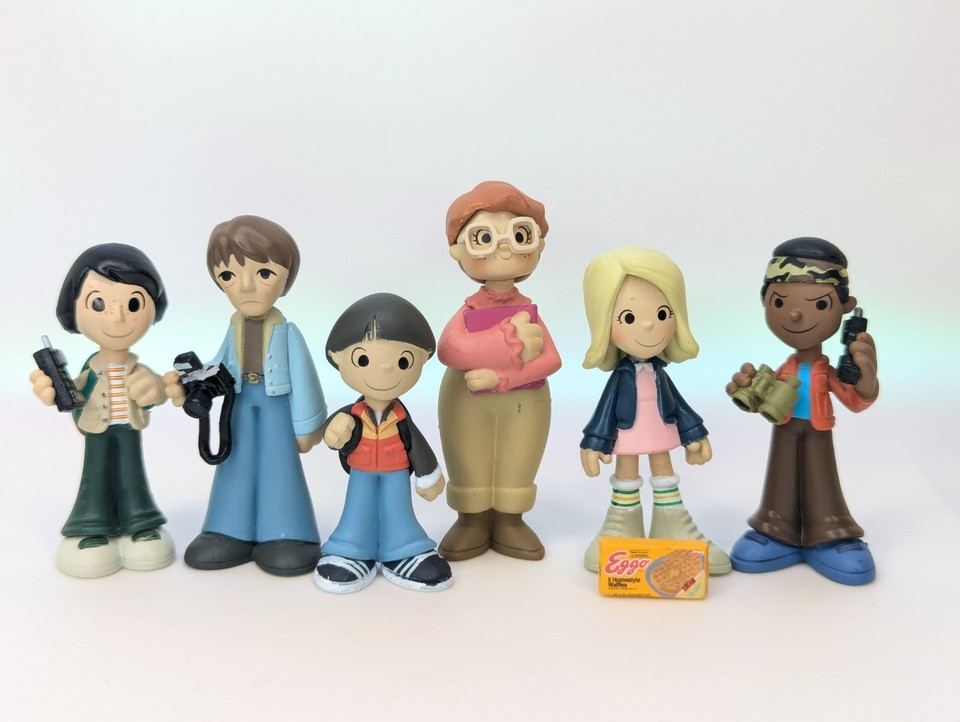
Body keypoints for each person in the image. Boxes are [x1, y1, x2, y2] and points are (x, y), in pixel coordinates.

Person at [165, 215, 326, 576]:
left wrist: (306, 425)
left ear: (286, 277)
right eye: (229, 276)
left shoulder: (287, 331)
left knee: (279, 465)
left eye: (264, 273)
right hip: (238, 403)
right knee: (234, 462)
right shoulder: (234, 326)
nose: (246, 287)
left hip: (276, 406)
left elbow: (304, 378)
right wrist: (187, 381)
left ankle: (287, 532)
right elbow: (221, 362)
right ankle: (228, 529)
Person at [726, 237, 879, 585]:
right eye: (780, 302)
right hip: (783, 427)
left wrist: (866, 377)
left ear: (845, 308)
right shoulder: (785, 369)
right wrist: (748, 392)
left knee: (821, 478)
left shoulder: (827, 371)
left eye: (819, 304)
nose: (794, 314)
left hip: (817, 431)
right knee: (779, 477)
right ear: (765, 301)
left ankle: (830, 534)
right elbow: (764, 400)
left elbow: (856, 400)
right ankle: (774, 529)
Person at [580, 247, 730, 575]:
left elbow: (679, 405)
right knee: (627, 469)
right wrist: (595, 441)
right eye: (629, 318)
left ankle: (672, 521)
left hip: (660, 428)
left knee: (663, 467)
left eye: (663, 314)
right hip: (627, 433)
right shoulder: (621, 377)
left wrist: (694, 435)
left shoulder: (659, 374)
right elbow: (605, 410)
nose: (649, 325)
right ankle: (622, 522)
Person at [437, 181, 561, 561]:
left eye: (520, 235)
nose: (505, 247)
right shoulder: (469, 312)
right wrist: (507, 341)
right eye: (484, 238)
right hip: (467, 398)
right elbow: (449, 349)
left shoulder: (529, 313)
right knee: (467, 452)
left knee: (519, 452)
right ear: (458, 251)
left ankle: (510, 518)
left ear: (538, 244)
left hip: (525, 398)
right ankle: (471, 518)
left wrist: (502, 378)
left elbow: (551, 360)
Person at [31, 243, 173, 578]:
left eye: (133, 304)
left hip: (130, 427)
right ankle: (91, 525)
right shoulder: (90, 369)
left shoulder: (138, 368)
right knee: (94, 476)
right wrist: (51, 388)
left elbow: (158, 390)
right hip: (97, 428)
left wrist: (155, 389)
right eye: (98, 304)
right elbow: (73, 390)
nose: (118, 317)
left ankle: (140, 522)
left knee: (133, 474)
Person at [316, 293, 451, 593]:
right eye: (363, 359)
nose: (386, 370)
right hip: (361, 471)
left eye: (403, 361)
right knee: (357, 507)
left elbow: (416, 445)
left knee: (398, 509)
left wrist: (428, 475)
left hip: (396, 473)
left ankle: (405, 548)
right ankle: (350, 549)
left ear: (423, 358)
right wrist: (334, 430)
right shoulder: (353, 414)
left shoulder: (401, 418)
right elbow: (333, 434)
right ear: (337, 357)